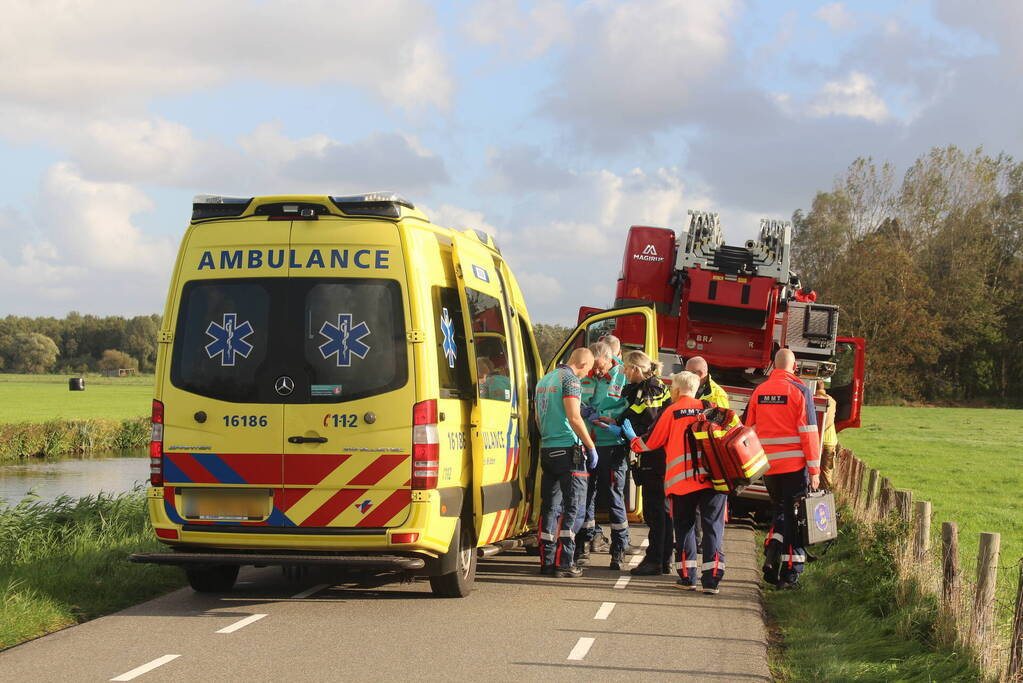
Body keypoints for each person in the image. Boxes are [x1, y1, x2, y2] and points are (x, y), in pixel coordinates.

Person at [618, 371, 729, 594]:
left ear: (676, 390)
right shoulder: (710, 407)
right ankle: (712, 581)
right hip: (714, 478)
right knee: (712, 528)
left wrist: (631, 438)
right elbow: (732, 432)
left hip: (683, 482)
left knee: (685, 528)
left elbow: (649, 443)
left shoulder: (671, 411)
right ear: (696, 389)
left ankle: (688, 579)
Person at [745, 348, 820, 590]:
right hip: (794, 466)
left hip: (768, 467)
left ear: (773, 366)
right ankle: (789, 573)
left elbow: (748, 429)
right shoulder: (800, 391)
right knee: (795, 519)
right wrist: (815, 470)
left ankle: (774, 555)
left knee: (781, 512)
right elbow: (809, 433)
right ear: (794, 366)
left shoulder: (760, 391)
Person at [575, 341, 640, 569]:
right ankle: (584, 545)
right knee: (585, 496)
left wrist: (602, 415)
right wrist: (584, 411)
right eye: (593, 366)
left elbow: (626, 407)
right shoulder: (586, 375)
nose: (597, 370)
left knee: (613, 497)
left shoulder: (622, 376)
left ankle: (619, 549)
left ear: (608, 357)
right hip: (587, 444)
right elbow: (578, 401)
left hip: (612, 444)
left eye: (599, 365)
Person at [610, 350, 673, 576]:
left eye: (626, 368)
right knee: (660, 510)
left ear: (636, 368)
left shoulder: (652, 388)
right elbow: (635, 412)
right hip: (654, 455)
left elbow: (649, 417)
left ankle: (656, 559)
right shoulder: (645, 388)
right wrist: (616, 420)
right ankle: (664, 558)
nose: (624, 373)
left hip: (656, 456)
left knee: (656, 511)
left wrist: (622, 427)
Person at [535, 347, 597, 578]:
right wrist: (590, 446)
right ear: (583, 364)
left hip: (548, 448)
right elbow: (574, 417)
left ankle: (547, 561)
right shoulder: (570, 380)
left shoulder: (545, 380)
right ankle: (564, 562)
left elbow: (537, 418)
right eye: (588, 370)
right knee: (574, 507)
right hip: (569, 451)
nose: (586, 374)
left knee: (550, 506)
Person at [816, 382, 838, 490]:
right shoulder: (832, 401)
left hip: (815, 441)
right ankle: (824, 498)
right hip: (829, 442)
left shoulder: (809, 399)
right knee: (826, 473)